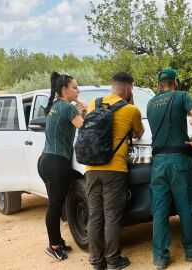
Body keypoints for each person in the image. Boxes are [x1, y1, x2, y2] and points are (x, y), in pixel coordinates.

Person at [146, 68, 192, 270]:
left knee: (160, 209)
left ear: (158, 85)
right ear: (176, 82)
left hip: (158, 162)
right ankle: (191, 250)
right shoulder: (181, 96)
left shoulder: (150, 103)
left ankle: (161, 257)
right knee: (186, 206)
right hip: (179, 160)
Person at [85, 72, 144, 270]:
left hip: (91, 168)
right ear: (128, 88)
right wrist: (131, 102)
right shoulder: (131, 109)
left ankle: (96, 261)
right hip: (115, 169)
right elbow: (138, 133)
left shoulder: (94, 103)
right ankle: (113, 261)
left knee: (95, 215)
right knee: (112, 217)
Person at [38, 72, 86, 261]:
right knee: (55, 206)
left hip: (45, 161)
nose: (78, 90)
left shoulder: (54, 106)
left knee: (55, 204)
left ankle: (57, 240)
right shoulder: (67, 108)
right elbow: (85, 127)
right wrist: (87, 112)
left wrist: (79, 113)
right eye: (75, 87)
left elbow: (72, 124)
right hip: (57, 163)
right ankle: (53, 245)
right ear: (64, 89)